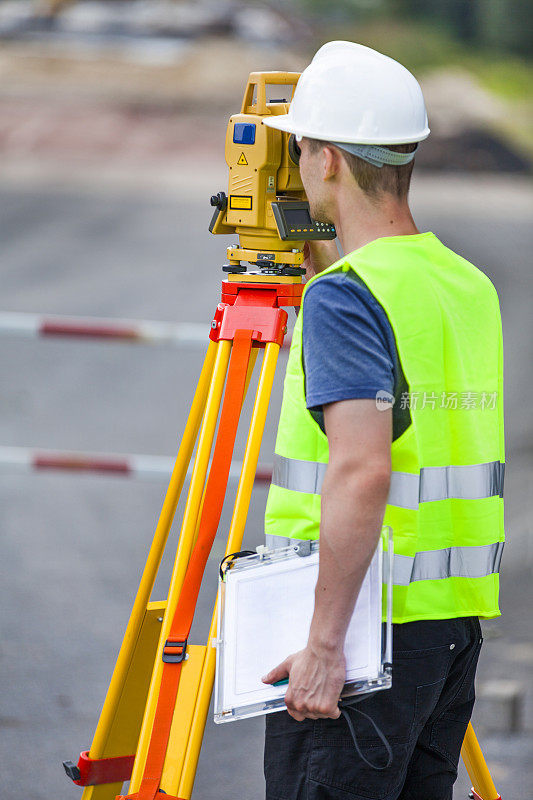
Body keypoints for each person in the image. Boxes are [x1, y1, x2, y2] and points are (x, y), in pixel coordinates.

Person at [260, 41, 505, 800]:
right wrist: (317, 255)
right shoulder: (464, 285)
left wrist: (325, 645)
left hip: (364, 638)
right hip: (448, 630)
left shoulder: (345, 298)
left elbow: (364, 465)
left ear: (326, 160)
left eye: (298, 149)